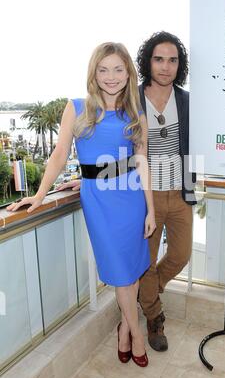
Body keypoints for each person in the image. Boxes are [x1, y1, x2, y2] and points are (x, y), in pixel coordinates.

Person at [6, 42, 156, 368]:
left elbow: (142, 162)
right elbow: (59, 155)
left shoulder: (136, 112)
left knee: (128, 275)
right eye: (103, 70)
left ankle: (126, 332)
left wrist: (151, 211)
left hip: (131, 200)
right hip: (99, 203)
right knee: (119, 273)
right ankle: (135, 332)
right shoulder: (76, 108)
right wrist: (41, 194)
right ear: (94, 73)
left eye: (118, 69)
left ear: (128, 72)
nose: (111, 77)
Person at [59, 32, 197, 352]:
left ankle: (144, 299)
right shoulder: (128, 98)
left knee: (178, 255)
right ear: (147, 62)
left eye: (172, 60)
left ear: (180, 65)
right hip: (135, 193)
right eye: (159, 59)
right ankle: (150, 316)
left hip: (177, 192)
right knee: (139, 265)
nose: (165, 66)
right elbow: (113, 148)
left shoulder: (187, 101)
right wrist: (90, 177)